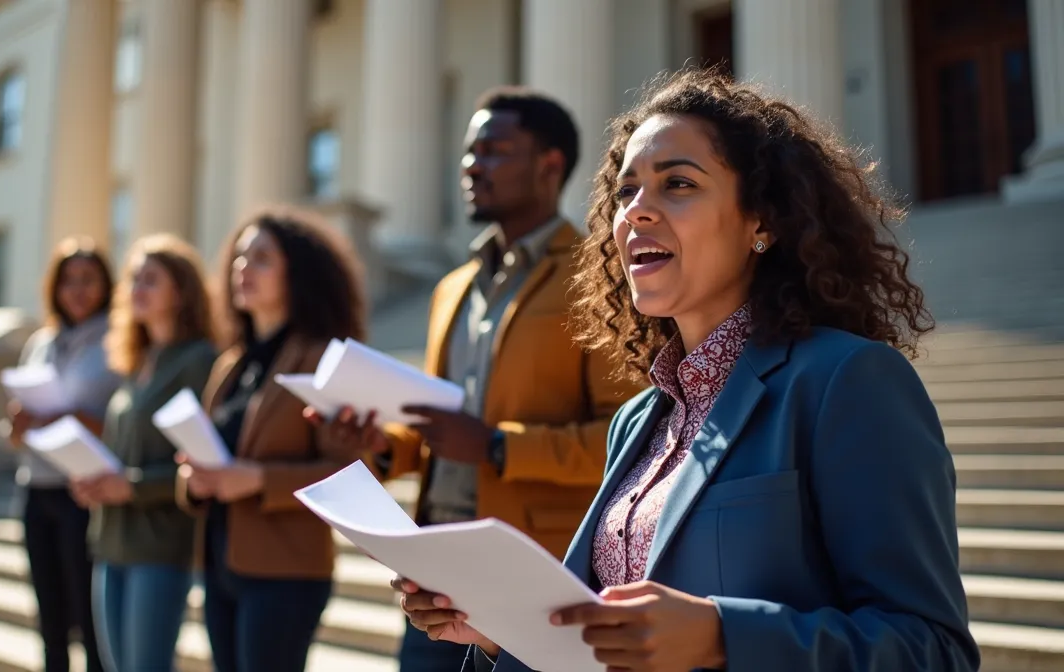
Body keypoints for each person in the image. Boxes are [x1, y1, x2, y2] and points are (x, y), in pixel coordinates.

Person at [397, 68, 981, 672]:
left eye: (677, 183)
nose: (636, 214)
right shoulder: (636, 420)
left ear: (762, 221)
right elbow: (602, 648)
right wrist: (501, 628)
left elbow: (932, 651)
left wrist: (723, 636)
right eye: (626, 193)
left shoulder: (849, 381)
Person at [319, 86, 643, 672]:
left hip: (531, 578)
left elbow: (625, 443)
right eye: (470, 151)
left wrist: (496, 445)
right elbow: (434, 436)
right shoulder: (452, 290)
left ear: (549, 165)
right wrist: (378, 448)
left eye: (493, 150)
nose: (471, 165)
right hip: (432, 581)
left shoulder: (599, 278)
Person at [173, 207, 368, 672]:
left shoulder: (324, 358)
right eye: (240, 257)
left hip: (286, 573)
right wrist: (193, 481)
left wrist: (258, 480)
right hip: (220, 566)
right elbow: (208, 459)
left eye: (261, 258)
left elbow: (350, 476)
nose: (243, 268)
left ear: (296, 273)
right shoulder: (230, 364)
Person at [70, 234, 218, 672]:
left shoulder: (200, 361)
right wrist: (94, 481)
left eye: (151, 279)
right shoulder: (135, 363)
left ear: (182, 292)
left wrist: (128, 487)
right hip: (110, 542)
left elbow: (205, 463)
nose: (137, 287)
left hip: (160, 546)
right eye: (134, 278)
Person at [0, 238, 120, 672]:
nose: (78, 289)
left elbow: (127, 423)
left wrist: (79, 419)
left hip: (84, 492)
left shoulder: (118, 341)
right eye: (68, 280)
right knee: (49, 620)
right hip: (36, 490)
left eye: (88, 280)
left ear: (106, 285)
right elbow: (16, 430)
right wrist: (15, 427)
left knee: (90, 624)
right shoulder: (41, 342)